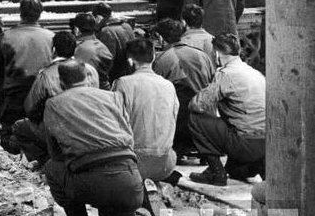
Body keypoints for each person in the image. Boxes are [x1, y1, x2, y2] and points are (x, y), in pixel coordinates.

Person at [42, 60, 160, 216]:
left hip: (90, 181)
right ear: (87, 77)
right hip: (130, 179)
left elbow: (55, 154)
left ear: (61, 82)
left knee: (52, 168)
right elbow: (129, 136)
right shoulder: (114, 97)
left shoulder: (53, 104)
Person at [188, 32, 266, 186]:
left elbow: (197, 105)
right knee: (236, 171)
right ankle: (257, 167)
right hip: (267, 143)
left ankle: (216, 172)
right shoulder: (254, 73)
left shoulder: (225, 74)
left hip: (246, 144)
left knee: (195, 119)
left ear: (217, 54)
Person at [12, 30, 98, 165]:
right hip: (89, 127)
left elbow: (30, 108)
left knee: (19, 127)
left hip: (60, 130)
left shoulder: (46, 74)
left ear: (53, 49)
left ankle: (48, 163)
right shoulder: (90, 70)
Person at [112, 37, 179, 183]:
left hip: (133, 163)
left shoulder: (123, 83)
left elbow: (115, 123)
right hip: (166, 163)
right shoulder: (168, 85)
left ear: (130, 61)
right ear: (153, 57)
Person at [0, 0, 53, 150]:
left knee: (10, 140)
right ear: (40, 14)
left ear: (20, 13)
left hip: (14, 94)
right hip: (42, 95)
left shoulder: (7, 36)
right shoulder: (51, 36)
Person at [154, 18, 215, 157]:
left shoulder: (162, 59)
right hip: (205, 119)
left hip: (180, 123)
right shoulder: (202, 55)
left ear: (161, 38)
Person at [92, 2, 135, 81]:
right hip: (129, 71)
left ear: (99, 17)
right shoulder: (127, 25)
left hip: (115, 75)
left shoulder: (106, 32)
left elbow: (108, 60)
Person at [73, 12, 113, 89]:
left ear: (77, 29)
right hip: (105, 90)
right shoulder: (103, 47)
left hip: (87, 91)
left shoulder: (77, 49)